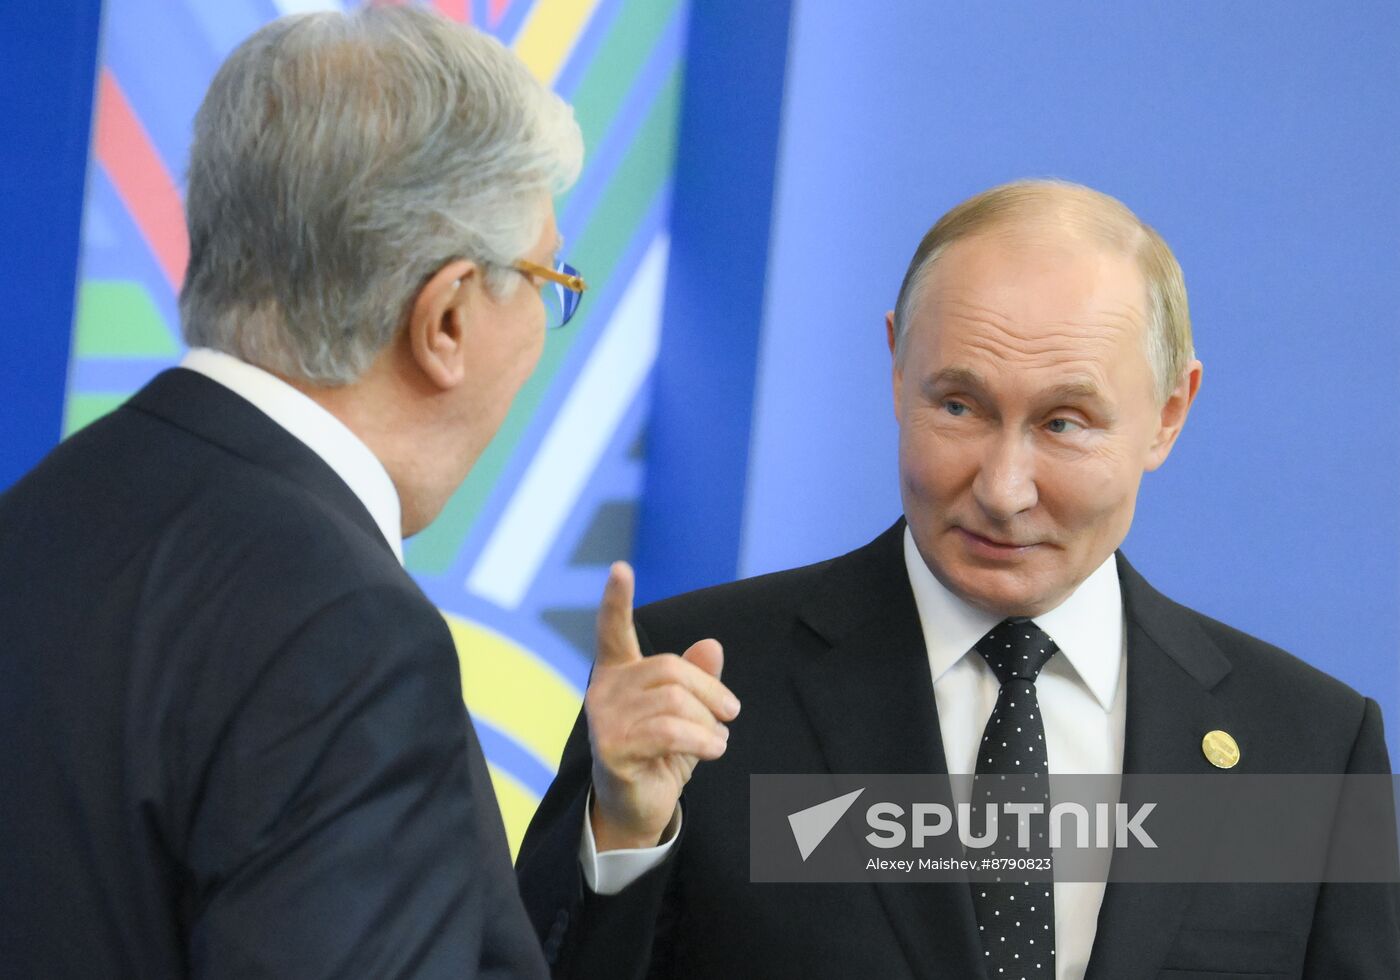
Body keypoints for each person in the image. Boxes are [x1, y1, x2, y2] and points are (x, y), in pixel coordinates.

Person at [516, 180, 1400, 978]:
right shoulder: (702, 683)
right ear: (897, 369)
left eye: (1063, 423)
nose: (1002, 490)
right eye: (958, 406)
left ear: (1169, 416)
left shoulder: (1312, 750)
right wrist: (624, 836)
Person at [0, 7, 584, 977]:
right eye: (544, 277)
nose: (544, 316)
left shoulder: (40, 517)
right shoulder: (345, 632)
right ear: (443, 318)